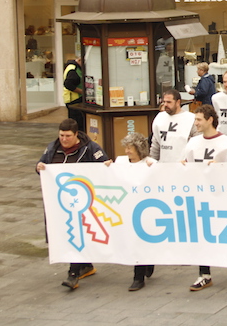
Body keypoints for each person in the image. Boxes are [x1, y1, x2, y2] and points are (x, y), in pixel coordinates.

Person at [36, 118, 110, 290]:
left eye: (68, 136)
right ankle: (86, 265)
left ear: (76, 134)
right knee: (64, 234)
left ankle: (73, 273)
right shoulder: (52, 148)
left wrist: (106, 165)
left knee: (75, 233)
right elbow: (41, 165)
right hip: (60, 203)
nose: (64, 139)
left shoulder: (90, 148)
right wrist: (39, 167)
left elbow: (104, 166)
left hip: (82, 203)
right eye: (61, 135)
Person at [181, 105, 227, 291]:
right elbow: (187, 164)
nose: (196, 123)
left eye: (199, 119)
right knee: (202, 233)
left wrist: (221, 168)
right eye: (195, 120)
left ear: (210, 120)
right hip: (200, 195)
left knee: (224, 230)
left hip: (221, 196)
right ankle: (204, 274)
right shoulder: (192, 143)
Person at [104, 132, 156, 291]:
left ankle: (138, 277)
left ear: (139, 149)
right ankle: (146, 264)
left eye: (130, 148)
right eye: (126, 147)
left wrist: (155, 169)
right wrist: (107, 167)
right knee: (133, 241)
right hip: (126, 208)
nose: (126, 151)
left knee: (139, 241)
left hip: (144, 210)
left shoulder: (150, 163)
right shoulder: (120, 162)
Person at [150, 89, 196, 162]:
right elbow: (156, 145)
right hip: (164, 165)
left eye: (169, 102)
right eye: (164, 102)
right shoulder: (159, 118)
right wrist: (152, 161)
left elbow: (197, 144)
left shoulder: (191, 119)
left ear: (178, 102)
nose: (165, 105)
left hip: (183, 165)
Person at [62, 57, 85, 132]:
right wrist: (82, 92)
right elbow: (68, 84)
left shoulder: (75, 67)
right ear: (79, 60)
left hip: (75, 99)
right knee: (77, 124)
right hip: (74, 100)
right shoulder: (73, 69)